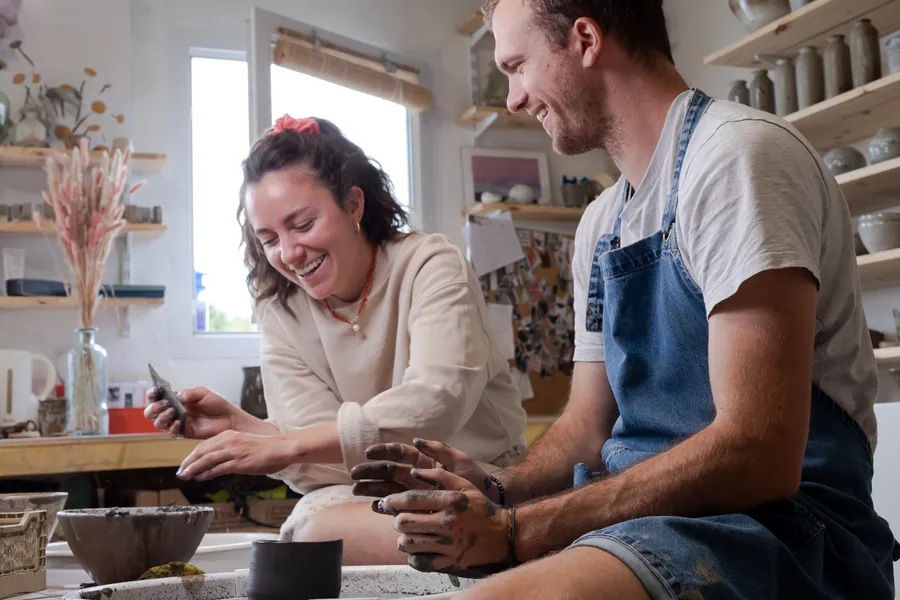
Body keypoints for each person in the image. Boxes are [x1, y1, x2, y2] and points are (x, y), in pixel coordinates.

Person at [349, 0, 900, 597]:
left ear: (585, 39)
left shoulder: (737, 158)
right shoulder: (602, 222)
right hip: (647, 521)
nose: (513, 98)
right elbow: (587, 428)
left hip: (788, 528)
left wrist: (518, 530)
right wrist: (498, 488)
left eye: (517, 66)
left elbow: (757, 452)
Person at [145, 114, 527, 565]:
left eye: (302, 224)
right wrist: (243, 428)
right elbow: (320, 467)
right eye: (268, 239)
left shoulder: (429, 264)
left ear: (353, 204)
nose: (287, 254)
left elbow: (437, 403)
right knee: (310, 522)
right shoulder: (280, 309)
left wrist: (282, 443)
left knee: (312, 535)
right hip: (374, 494)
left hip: (480, 483)